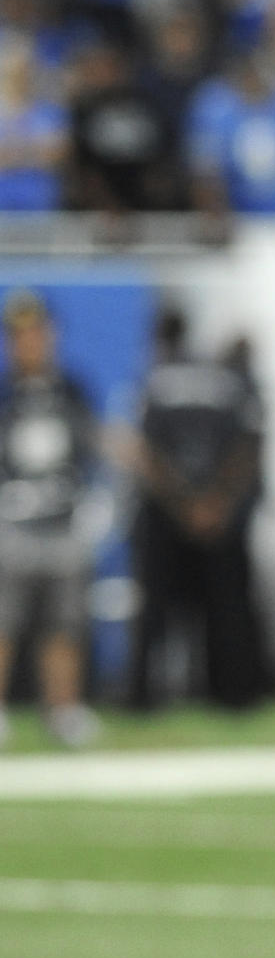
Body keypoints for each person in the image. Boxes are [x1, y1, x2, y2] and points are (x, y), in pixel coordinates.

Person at [127, 304, 266, 710]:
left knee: (156, 613)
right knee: (227, 612)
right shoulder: (233, 378)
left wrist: (184, 503)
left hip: (167, 514)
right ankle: (233, 696)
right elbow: (248, 447)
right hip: (220, 514)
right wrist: (216, 502)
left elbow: (146, 452)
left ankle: (142, 700)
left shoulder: (156, 377)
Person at [0, 289, 101, 748]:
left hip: (63, 521)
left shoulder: (72, 389)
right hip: (11, 523)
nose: (29, 343)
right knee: (5, 620)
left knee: (64, 623)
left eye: (36, 333)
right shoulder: (5, 393)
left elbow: (90, 450)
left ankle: (62, 709)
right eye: (19, 336)